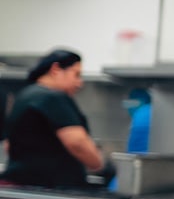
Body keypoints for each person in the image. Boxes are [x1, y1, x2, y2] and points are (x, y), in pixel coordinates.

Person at [2, 49, 105, 188]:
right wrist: (99, 164)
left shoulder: (24, 95)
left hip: (20, 184)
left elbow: (8, 146)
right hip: (48, 187)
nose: (79, 83)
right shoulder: (53, 97)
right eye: (76, 75)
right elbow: (77, 142)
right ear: (56, 69)